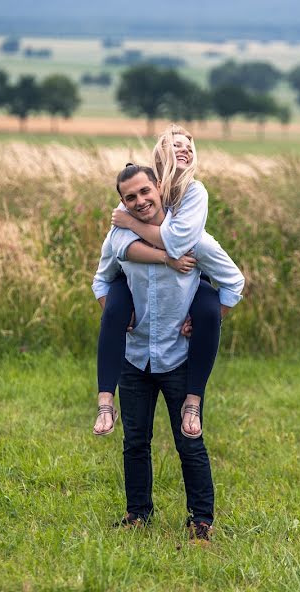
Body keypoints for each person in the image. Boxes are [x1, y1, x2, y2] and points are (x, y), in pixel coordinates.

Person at [100, 164, 244, 542]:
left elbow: (234, 282)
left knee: (189, 442)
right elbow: (102, 277)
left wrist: (210, 319)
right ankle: (137, 514)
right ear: (122, 202)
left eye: (145, 191)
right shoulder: (119, 235)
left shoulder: (192, 239)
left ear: (160, 187)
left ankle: (201, 520)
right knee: (135, 440)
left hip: (178, 356)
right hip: (135, 355)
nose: (140, 201)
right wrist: (116, 314)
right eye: (130, 197)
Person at [92, 124, 225, 439]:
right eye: (174, 144)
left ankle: (193, 399)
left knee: (207, 310)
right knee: (115, 306)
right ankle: (105, 399)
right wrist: (130, 222)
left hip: (191, 271)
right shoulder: (144, 191)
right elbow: (118, 249)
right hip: (141, 281)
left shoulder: (194, 190)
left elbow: (178, 242)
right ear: (160, 154)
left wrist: (165, 252)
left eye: (188, 145)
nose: (183, 149)